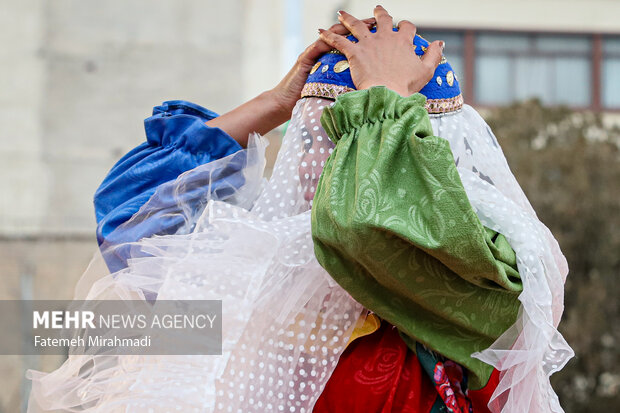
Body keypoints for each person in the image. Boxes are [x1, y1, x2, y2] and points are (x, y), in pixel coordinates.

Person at [27, 6, 572, 413]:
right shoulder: (255, 272)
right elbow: (134, 223)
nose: (317, 162)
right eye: (311, 140)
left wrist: (382, 93)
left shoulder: (482, 270)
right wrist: (277, 103)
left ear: (434, 151)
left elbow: (365, 227)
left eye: (341, 140)